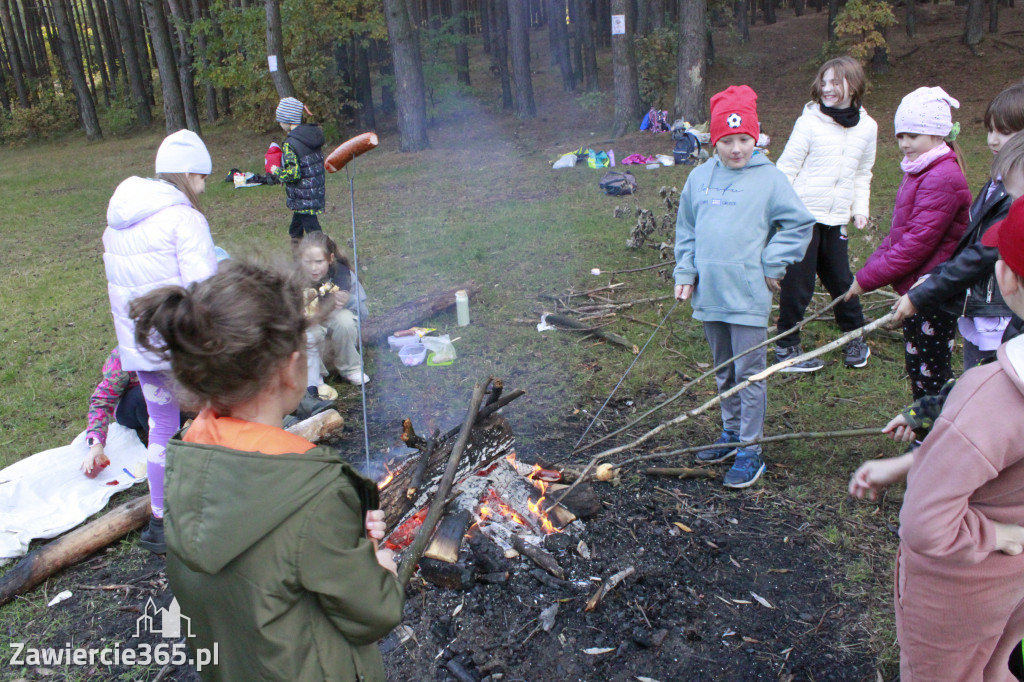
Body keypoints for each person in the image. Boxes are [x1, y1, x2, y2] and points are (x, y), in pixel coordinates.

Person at [128, 259, 403, 681]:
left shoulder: (185, 460)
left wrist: (344, 536)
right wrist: (377, 563)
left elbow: (270, 565)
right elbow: (374, 613)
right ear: (289, 367)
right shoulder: (315, 492)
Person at [848, 194, 1024, 680]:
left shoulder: (990, 397)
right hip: (1013, 591)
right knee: (998, 665)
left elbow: (926, 524)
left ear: (1005, 278)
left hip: (962, 595)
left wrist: (996, 534)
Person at [673, 85, 814, 489]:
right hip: (710, 293)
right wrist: (685, 272)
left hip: (748, 295)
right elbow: (687, 230)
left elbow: (799, 224)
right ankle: (731, 434)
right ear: (714, 141)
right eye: (727, 141)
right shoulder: (699, 179)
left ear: (756, 138)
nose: (737, 149)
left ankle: (751, 450)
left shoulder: (770, 180)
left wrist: (773, 261)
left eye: (744, 140)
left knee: (750, 374)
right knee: (724, 370)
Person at [103, 130, 218, 553]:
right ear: (188, 172)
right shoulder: (183, 218)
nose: (204, 187)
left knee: (163, 427)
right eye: (202, 177)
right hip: (183, 344)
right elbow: (203, 287)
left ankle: (159, 520)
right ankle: (216, 510)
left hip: (142, 348)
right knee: (217, 418)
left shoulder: (118, 222)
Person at [845, 87, 972, 400]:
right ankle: (923, 428)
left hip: (934, 293)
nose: (904, 143)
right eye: (900, 135)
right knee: (918, 367)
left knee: (933, 373)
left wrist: (865, 281)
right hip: (918, 292)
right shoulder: (919, 171)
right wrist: (866, 272)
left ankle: (938, 434)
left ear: (937, 133)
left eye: (913, 135)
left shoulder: (942, 177)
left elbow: (916, 244)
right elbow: (898, 235)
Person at [892, 82, 1024, 370]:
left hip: (1004, 310)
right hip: (984, 306)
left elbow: (983, 252)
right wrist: (934, 277)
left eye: (1005, 132)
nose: (992, 141)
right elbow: (973, 241)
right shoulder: (998, 182)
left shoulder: (1015, 196)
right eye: (990, 129)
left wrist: (925, 290)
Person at [773, 55, 877, 372]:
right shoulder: (809, 123)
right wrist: (778, 212)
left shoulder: (868, 127)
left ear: (854, 84)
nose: (827, 88)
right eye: (824, 81)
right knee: (798, 283)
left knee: (842, 279)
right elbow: (786, 169)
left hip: (837, 219)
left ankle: (854, 337)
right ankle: (786, 347)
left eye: (836, 82)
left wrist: (860, 209)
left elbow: (863, 173)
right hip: (802, 215)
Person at [297, 231, 370, 388]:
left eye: (319, 261)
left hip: (336, 319)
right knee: (312, 333)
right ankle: (316, 377)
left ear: (330, 259)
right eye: (307, 262)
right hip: (310, 323)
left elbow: (363, 312)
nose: (313, 268)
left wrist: (349, 300)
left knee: (344, 320)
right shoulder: (294, 278)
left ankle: (351, 368)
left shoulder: (342, 274)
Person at [269, 97, 326, 243]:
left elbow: (294, 174)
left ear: (287, 119)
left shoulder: (291, 143)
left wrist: (277, 171)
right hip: (314, 192)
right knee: (295, 230)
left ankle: (326, 259)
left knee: (314, 233)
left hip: (303, 197)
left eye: (280, 120)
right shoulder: (311, 135)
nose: (280, 124)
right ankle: (298, 261)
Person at [82, 347, 148, 476]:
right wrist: (96, 444)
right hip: (134, 407)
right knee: (144, 394)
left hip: (176, 402)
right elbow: (102, 401)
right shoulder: (123, 357)